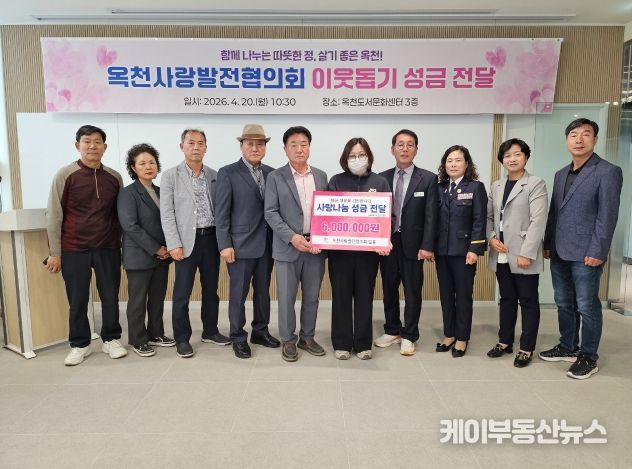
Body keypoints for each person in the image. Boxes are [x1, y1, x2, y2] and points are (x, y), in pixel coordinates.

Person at [540, 118, 623, 379]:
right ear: (567, 140)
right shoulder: (560, 174)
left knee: (587, 305)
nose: (579, 139)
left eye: (586, 134)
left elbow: (607, 216)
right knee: (564, 302)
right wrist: (548, 243)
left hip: (587, 252)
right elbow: (554, 212)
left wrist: (598, 250)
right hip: (559, 250)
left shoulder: (607, 171)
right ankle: (568, 347)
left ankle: (588, 356)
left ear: (595, 140)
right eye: (574, 134)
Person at [46, 124, 127, 366]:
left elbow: (121, 215)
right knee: (78, 300)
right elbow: (54, 214)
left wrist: (123, 247)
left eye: (97, 142)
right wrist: (55, 252)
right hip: (74, 248)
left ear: (105, 147)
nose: (92, 146)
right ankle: (80, 344)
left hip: (108, 247)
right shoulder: (65, 175)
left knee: (110, 296)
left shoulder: (114, 177)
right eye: (87, 141)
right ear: (77, 145)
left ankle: (111, 339)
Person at [160, 129, 230, 358]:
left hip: (211, 239)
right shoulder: (171, 176)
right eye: (191, 143)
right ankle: (182, 338)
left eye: (200, 143)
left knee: (211, 289)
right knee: (182, 293)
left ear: (206, 148)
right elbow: (167, 213)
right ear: (182, 147)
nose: (196, 147)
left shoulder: (215, 175)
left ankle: (210, 331)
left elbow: (222, 210)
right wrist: (173, 243)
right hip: (185, 241)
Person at [215, 124, 280, 359]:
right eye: (250, 143)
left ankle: (260, 331)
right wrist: (224, 244)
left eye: (260, 144)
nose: (255, 148)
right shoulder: (228, 173)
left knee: (263, 292)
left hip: (267, 245)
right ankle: (237, 336)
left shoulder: (273, 173)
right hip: (239, 245)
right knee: (238, 294)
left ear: (265, 147)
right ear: (241, 145)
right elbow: (221, 213)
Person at [264, 126, 328, 362]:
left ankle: (307, 337)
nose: (299, 149)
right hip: (287, 247)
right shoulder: (275, 177)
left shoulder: (321, 176)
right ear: (285, 149)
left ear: (309, 147)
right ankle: (288, 340)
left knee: (312, 297)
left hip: (315, 247)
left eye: (304, 144)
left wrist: (322, 238)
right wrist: (292, 236)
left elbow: (327, 212)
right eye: (294, 145)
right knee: (286, 298)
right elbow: (270, 212)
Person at [327, 138, 391, 360]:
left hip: (368, 255)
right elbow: (326, 216)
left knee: (365, 297)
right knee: (341, 297)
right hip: (340, 254)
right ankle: (342, 343)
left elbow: (389, 216)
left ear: (369, 157)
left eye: (361, 155)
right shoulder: (336, 181)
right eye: (352, 156)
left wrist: (384, 240)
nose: (357, 159)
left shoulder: (380, 182)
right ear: (345, 159)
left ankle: (363, 344)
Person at [375, 129, 438, 356]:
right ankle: (392, 329)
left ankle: (410, 334)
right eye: (400, 144)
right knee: (389, 288)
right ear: (392, 149)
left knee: (412, 290)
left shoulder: (428, 178)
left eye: (410, 144)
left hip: (414, 244)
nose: (404, 148)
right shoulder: (381, 178)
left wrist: (428, 245)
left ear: (416, 150)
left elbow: (431, 215)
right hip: (387, 243)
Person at [486, 138, 548, 368]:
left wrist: (527, 252)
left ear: (526, 157)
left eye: (517, 154)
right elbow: (489, 217)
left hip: (522, 253)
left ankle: (526, 348)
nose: (512, 159)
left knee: (528, 301)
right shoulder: (496, 185)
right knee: (506, 299)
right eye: (507, 155)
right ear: (502, 159)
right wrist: (491, 238)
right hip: (501, 252)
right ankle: (504, 341)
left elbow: (538, 220)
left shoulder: (535, 183)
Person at [117, 143, 175, 357]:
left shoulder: (161, 191)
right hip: (139, 255)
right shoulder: (128, 193)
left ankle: (156, 334)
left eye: (151, 162)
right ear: (133, 167)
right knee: (138, 300)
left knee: (157, 298)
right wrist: (156, 248)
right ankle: (138, 339)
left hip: (163, 255)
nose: (148, 166)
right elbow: (130, 226)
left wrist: (168, 247)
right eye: (142, 163)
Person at [434, 145, 487, 358]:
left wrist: (475, 249)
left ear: (466, 164)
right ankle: (449, 334)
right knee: (446, 295)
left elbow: (479, 220)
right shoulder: (439, 187)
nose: (453, 164)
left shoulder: (475, 187)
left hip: (464, 252)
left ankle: (462, 338)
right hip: (442, 251)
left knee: (463, 296)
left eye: (458, 160)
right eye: (449, 160)